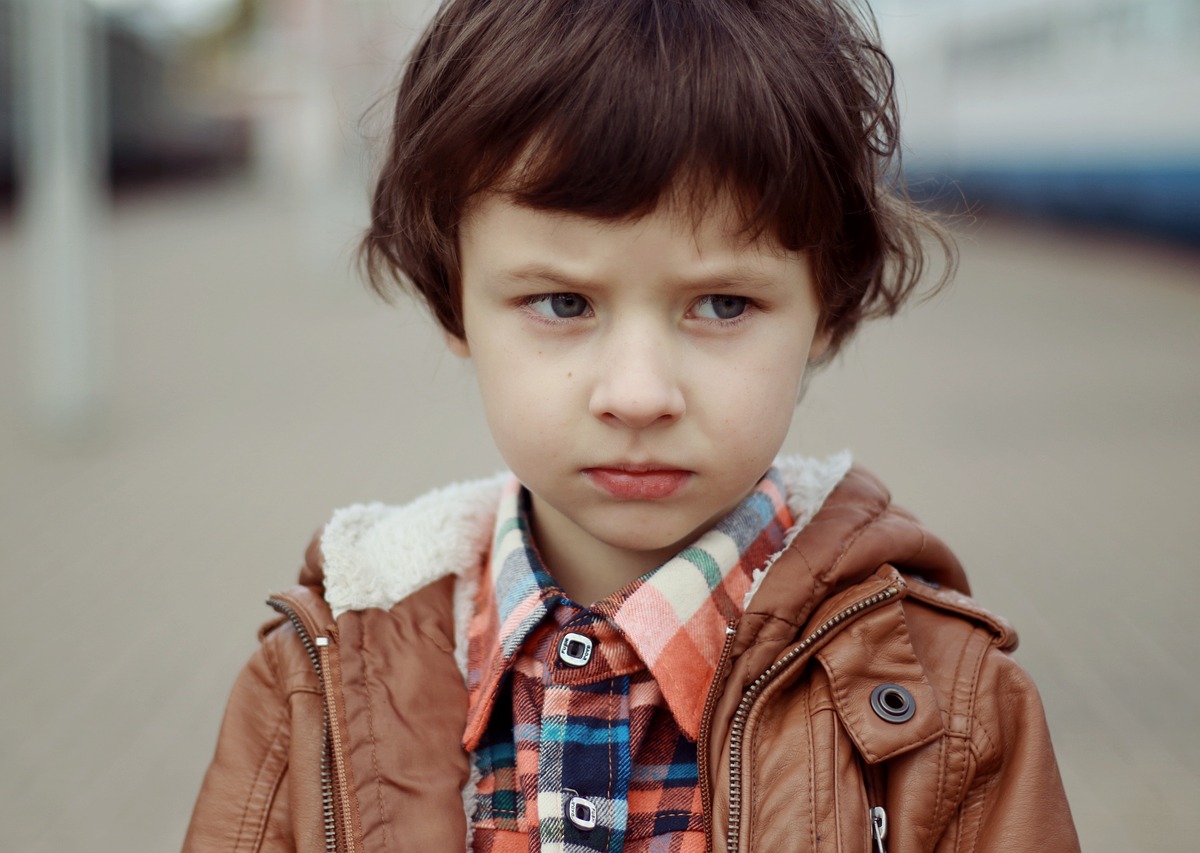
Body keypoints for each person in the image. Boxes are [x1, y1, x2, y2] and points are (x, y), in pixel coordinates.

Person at [183, 0, 1080, 849]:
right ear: (453, 303)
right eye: (564, 301)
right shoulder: (319, 687)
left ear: (829, 310)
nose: (641, 393)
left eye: (723, 304)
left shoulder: (946, 709)